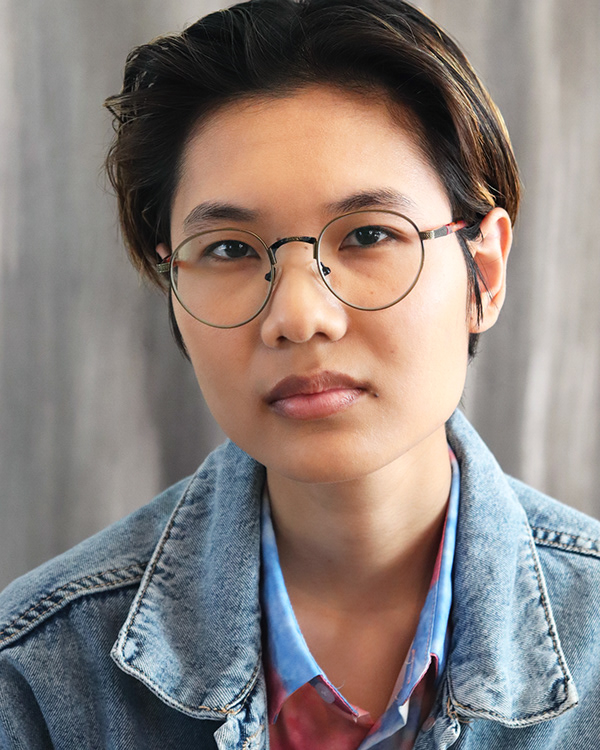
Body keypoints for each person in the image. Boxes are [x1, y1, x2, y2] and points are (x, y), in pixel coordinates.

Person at [1, 0, 599, 747]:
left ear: (485, 269)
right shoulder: (38, 676)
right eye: (229, 249)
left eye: (369, 234)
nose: (298, 316)